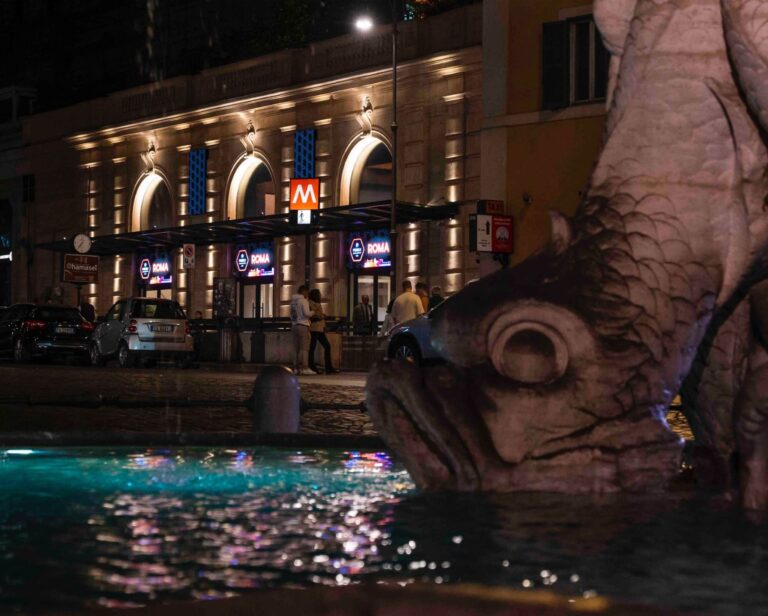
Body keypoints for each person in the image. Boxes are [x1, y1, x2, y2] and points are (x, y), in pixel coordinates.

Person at [308, 289, 340, 374]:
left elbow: (319, 315)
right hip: (314, 329)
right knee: (313, 348)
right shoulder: (310, 303)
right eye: (318, 295)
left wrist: (324, 324)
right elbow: (313, 315)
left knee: (326, 346)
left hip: (320, 328)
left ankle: (328, 367)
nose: (320, 296)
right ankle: (312, 366)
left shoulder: (317, 304)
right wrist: (321, 316)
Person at [289, 285, 313, 375]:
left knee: (295, 348)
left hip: (294, 325)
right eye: (307, 292)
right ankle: (305, 368)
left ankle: (295, 368)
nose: (308, 294)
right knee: (304, 348)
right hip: (303, 325)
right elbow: (307, 314)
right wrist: (313, 312)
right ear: (303, 291)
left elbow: (291, 315)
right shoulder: (303, 301)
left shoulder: (293, 302)